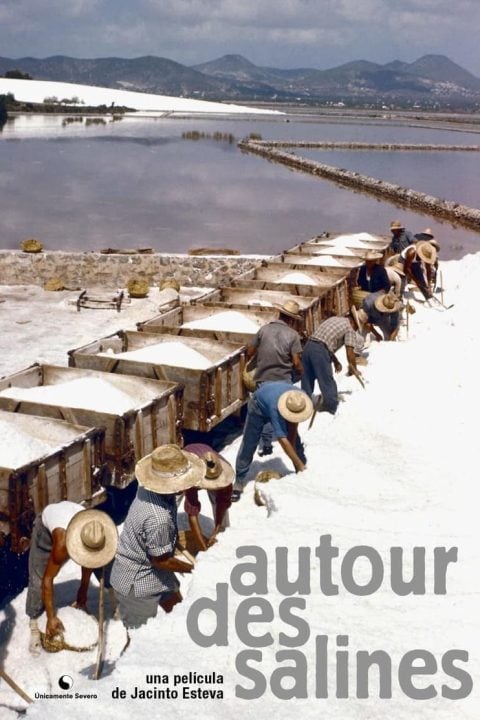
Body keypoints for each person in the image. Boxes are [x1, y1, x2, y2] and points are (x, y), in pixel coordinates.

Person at [110, 444, 204, 628]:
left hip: (157, 571)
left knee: (179, 612)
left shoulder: (150, 490)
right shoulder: (158, 518)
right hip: (137, 582)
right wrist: (194, 569)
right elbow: (160, 560)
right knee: (140, 642)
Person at [26, 502, 118, 656]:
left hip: (75, 520)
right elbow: (48, 580)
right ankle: (34, 622)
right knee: (38, 577)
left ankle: (117, 603)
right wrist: (51, 617)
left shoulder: (95, 531)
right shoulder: (61, 545)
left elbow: (89, 562)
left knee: (106, 564)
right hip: (47, 528)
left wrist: (83, 592)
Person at [245, 299, 304, 456]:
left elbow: (250, 352)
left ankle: (265, 444)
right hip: (282, 380)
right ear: (292, 319)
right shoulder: (293, 335)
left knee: (265, 410)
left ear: (279, 314)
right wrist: (300, 370)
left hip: (263, 378)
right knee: (279, 410)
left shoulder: (264, 330)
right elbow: (296, 362)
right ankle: (291, 444)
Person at [233, 385, 313, 501]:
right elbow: (283, 440)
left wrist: (297, 463)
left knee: (295, 440)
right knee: (250, 442)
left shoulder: (299, 398)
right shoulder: (275, 408)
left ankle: (299, 469)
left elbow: (292, 433)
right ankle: (239, 481)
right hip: (258, 405)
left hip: (274, 397)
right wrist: (299, 465)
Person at [301, 313, 364, 415]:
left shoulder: (335, 318)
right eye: (357, 327)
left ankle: (301, 405)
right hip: (319, 351)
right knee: (326, 380)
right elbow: (350, 353)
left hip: (308, 347)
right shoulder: (350, 328)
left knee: (307, 379)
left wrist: (335, 361)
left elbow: (325, 341)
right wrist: (354, 369)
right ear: (354, 323)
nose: (356, 330)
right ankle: (332, 407)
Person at [181, 443, 234, 551]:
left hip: (205, 456)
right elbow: (192, 513)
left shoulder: (225, 475)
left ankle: (223, 536)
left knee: (219, 502)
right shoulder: (192, 475)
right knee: (173, 499)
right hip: (189, 461)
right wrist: (203, 548)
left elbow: (222, 503)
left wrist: (217, 529)